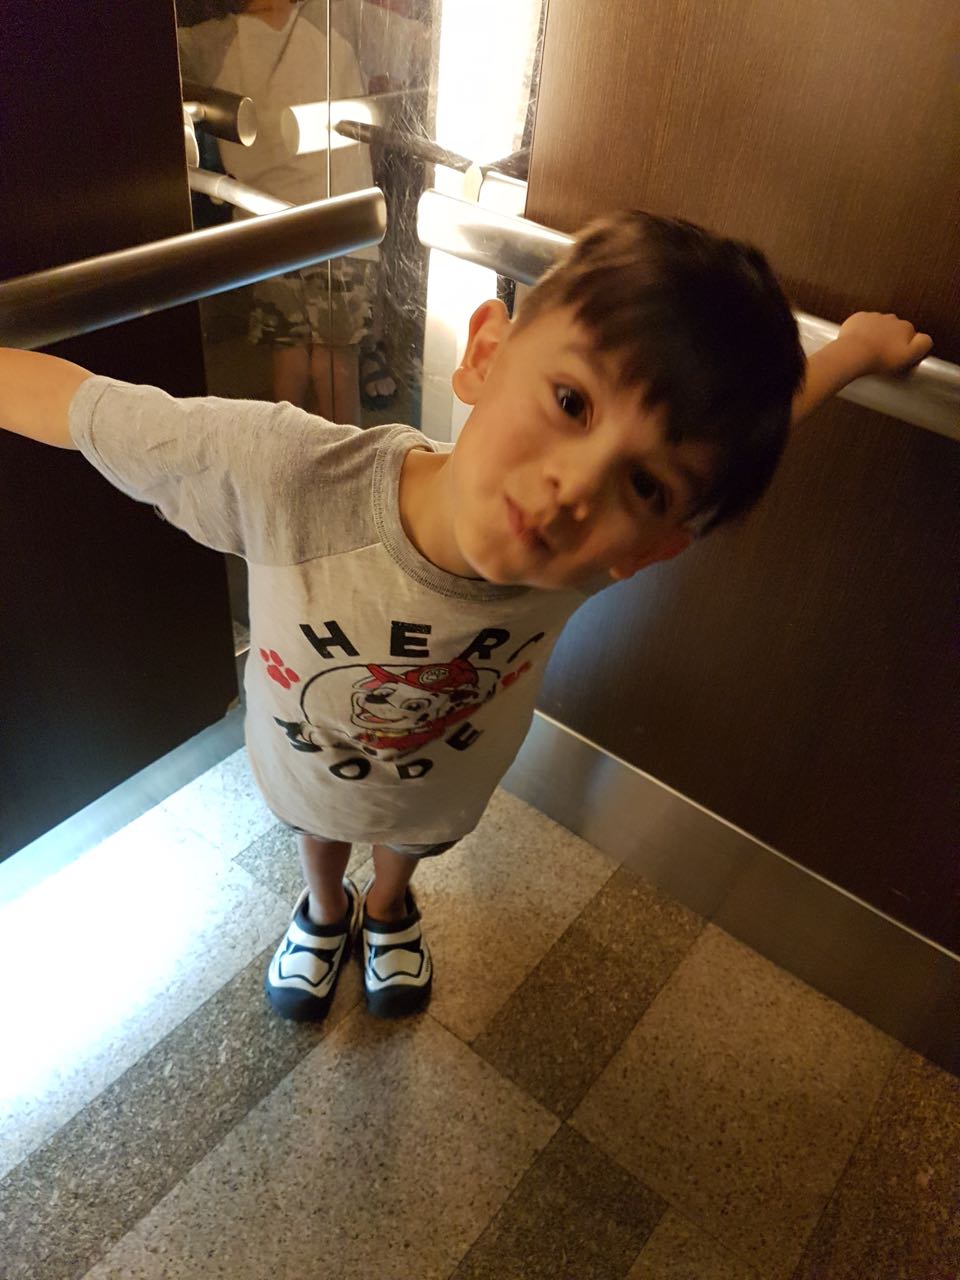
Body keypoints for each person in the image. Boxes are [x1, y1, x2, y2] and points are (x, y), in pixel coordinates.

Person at [0, 211, 932, 1022]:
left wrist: (848, 354)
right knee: (318, 828)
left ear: (650, 548)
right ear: (485, 354)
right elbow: (94, 414)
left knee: (409, 840)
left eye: (642, 485)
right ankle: (324, 910)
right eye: (571, 401)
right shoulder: (292, 479)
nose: (575, 488)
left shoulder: (574, 568)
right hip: (305, 759)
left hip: (442, 786)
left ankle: (390, 906)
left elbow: (729, 453)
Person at [177, 0, 377, 421]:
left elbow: (148, 55)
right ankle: (343, 458)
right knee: (335, 363)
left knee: (290, 356)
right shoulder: (334, 22)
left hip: (271, 229)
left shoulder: (215, 42)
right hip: (341, 223)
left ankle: (287, 455)